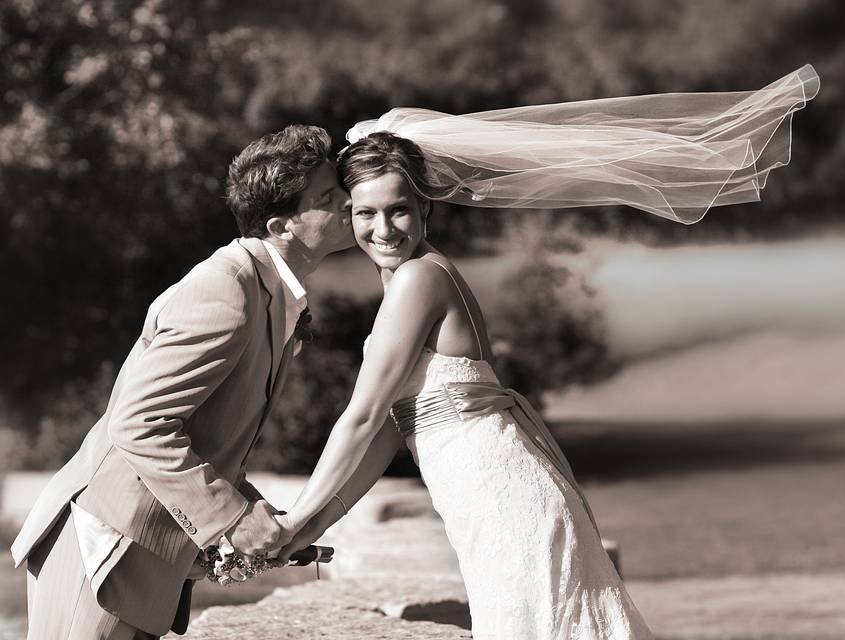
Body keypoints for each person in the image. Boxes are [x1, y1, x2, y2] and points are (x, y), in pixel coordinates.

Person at [274, 132, 655, 639]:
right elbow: (391, 429)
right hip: (487, 504)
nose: (383, 229)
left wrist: (290, 517)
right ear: (348, 213)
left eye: (399, 210)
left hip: (506, 502)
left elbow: (362, 417)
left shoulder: (418, 279)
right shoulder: (408, 278)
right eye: (366, 213)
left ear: (426, 208)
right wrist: (316, 525)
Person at [10, 124, 355, 640]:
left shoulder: (270, 294)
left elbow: (209, 436)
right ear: (283, 225)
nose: (349, 202)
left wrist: (262, 521)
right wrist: (234, 521)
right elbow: (140, 423)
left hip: (141, 559)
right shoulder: (227, 288)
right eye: (329, 196)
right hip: (103, 548)